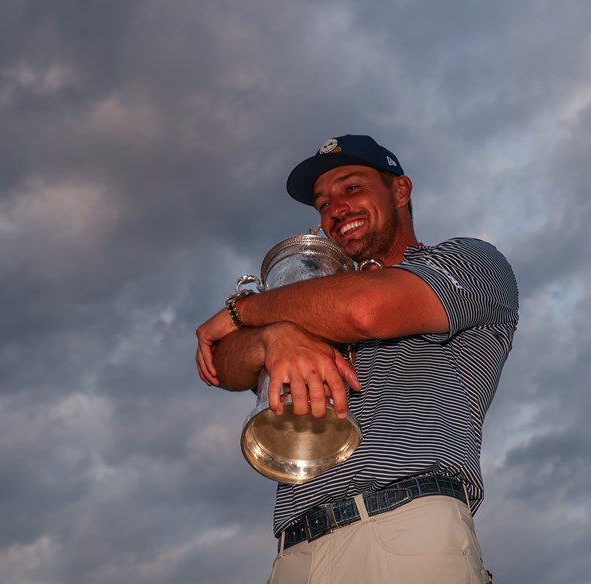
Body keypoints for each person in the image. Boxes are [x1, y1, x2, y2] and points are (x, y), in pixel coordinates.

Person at [195, 134, 519, 584]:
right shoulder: (303, 305)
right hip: (295, 552)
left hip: (404, 529)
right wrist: (275, 338)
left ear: (401, 191)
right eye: (322, 203)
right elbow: (223, 363)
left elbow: (364, 311)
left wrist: (245, 310)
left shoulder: (472, 262)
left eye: (352, 188)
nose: (335, 210)